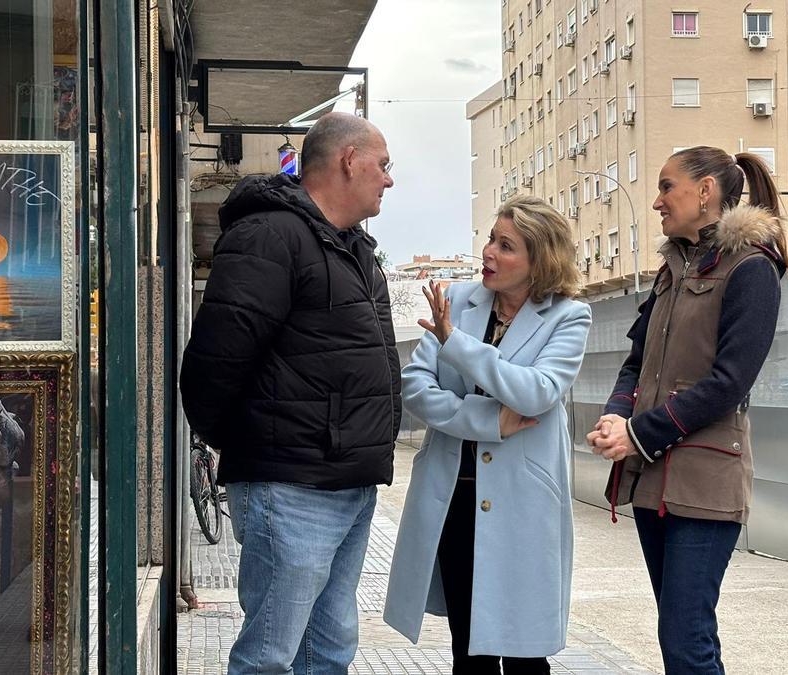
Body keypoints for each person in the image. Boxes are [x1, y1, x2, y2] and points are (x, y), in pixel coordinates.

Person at [179, 112, 401, 675]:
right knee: (270, 658)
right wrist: (253, 448)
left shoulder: (355, 249)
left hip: (349, 483)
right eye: (383, 164)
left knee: (328, 652)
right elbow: (213, 362)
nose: (389, 179)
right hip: (289, 484)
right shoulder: (270, 236)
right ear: (349, 160)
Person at [587, 146, 788, 674]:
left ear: (705, 191)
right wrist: (617, 417)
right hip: (652, 478)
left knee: (687, 637)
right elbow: (637, 363)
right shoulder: (671, 269)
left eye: (666, 186)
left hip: (706, 481)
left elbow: (729, 384)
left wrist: (638, 433)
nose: (657, 201)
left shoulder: (751, 268)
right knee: (676, 632)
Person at [384, 195, 592, 674]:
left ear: (540, 260)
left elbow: (537, 392)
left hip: (523, 504)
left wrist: (454, 343)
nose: (488, 253)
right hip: (456, 500)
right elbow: (416, 387)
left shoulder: (568, 317)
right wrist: (489, 422)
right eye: (490, 240)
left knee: (525, 652)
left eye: (506, 245)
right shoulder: (457, 300)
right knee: (469, 650)